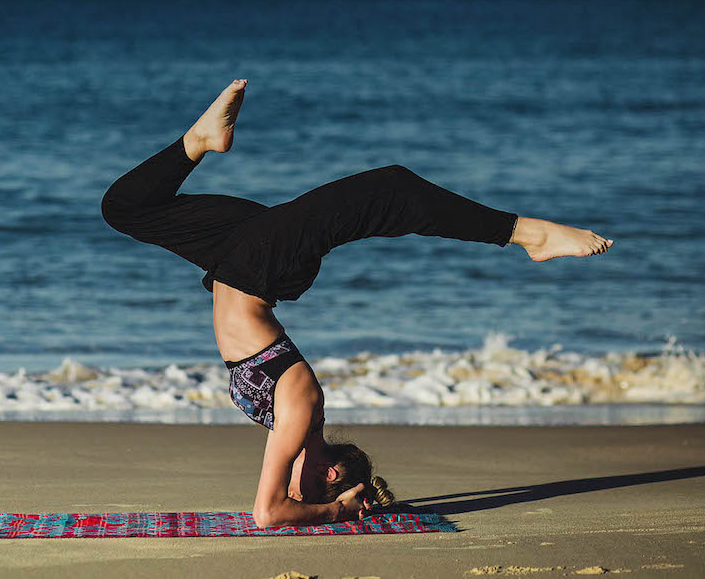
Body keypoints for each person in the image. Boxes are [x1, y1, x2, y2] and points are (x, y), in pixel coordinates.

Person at [101, 80, 612, 527]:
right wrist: (339, 510)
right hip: (260, 267)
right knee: (391, 186)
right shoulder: (300, 410)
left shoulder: (291, 426)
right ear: (329, 471)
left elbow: (270, 509)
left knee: (124, 208)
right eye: (301, 487)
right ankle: (528, 235)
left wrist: (341, 503)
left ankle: (200, 141)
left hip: (237, 258)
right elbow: (270, 512)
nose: (287, 483)